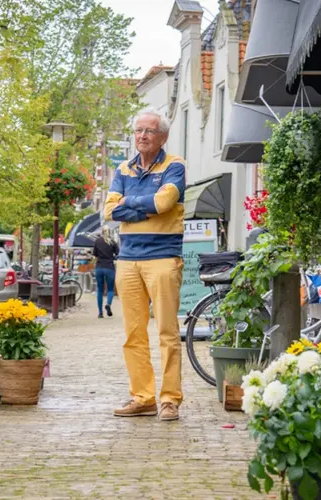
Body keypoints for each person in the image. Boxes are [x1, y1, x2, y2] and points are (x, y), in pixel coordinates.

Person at [103, 107, 186, 422]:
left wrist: (130, 203)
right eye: (138, 131)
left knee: (167, 331)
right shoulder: (123, 168)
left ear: (162, 136)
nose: (142, 136)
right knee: (133, 334)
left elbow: (165, 202)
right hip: (128, 260)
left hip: (164, 257)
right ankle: (143, 397)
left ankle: (169, 400)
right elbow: (111, 209)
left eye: (149, 131)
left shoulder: (175, 166)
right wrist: (145, 205)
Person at [92, 226, 119, 319]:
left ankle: (100, 313)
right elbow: (118, 254)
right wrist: (113, 258)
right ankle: (108, 304)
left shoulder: (97, 241)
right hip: (109, 267)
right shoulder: (112, 242)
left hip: (99, 267)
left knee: (100, 289)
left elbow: (94, 254)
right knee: (110, 289)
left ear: (101, 232)